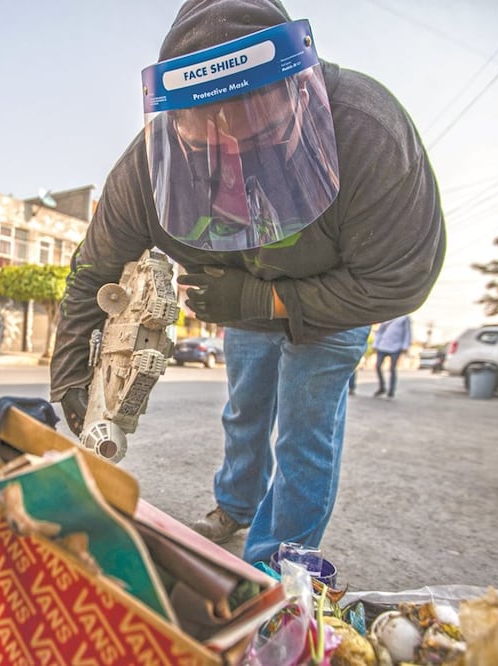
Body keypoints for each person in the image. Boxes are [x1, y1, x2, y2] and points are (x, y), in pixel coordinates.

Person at [50, 0, 445, 565]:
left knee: (304, 433)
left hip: (330, 305)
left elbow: (397, 282)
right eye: (206, 135)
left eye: (259, 132)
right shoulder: (147, 166)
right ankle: (235, 508)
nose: (233, 158)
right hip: (241, 299)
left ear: (298, 94)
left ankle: (273, 568)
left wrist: (268, 297)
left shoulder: (366, 131)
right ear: (172, 116)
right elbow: (95, 269)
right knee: (244, 412)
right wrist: (68, 370)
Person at [372, 315, 412, 398]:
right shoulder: (388, 315)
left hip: (396, 346)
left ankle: (391, 390)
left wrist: (405, 346)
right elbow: (380, 331)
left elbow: (407, 332)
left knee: (392, 368)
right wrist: (375, 344)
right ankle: (382, 387)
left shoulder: (404, 317)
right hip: (382, 345)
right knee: (378, 366)